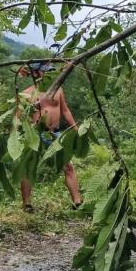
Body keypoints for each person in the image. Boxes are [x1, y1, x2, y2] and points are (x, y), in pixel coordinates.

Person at [18, 62, 83, 212]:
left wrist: (75, 127)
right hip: (34, 134)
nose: (48, 74)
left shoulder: (57, 90)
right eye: (45, 71)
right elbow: (18, 117)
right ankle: (27, 204)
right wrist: (16, 135)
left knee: (68, 166)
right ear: (35, 73)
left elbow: (65, 110)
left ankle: (77, 202)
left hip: (55, 133)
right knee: (28, 168)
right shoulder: (26, 94)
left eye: (50, 71)